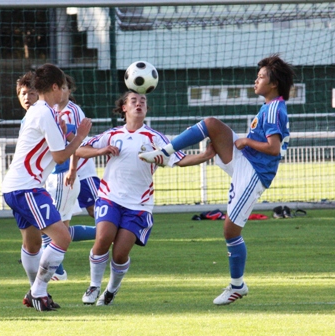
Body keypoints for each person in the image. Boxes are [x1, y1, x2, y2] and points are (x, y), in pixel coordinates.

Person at [139, 54, 294, 305]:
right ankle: (165, 152)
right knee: (211, 123)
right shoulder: (268, 107)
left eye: (261, 77)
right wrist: (244, 144)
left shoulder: (275, 108)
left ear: (274, 83)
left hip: (254, 173)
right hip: (245, 161)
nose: (256, 80)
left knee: (230, 230)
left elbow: (274, 148)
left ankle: (237, 286)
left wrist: (245, 141)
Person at [77, 91, 214, 306]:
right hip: (109, 197)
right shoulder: (111, 135)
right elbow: (79, 150)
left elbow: (178, 159)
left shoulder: (154, 138)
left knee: (120, 254)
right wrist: (101, 150)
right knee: (103, 239)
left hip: (138, 205)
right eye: (133, 101)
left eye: (143, 101)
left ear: (147, 109)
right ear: (124, 107)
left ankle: (111, 290)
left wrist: (205, 156)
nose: (139, 104)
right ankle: (94, 285)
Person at [3, 64, 92, 311]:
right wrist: (80, 136)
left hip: (17, 186)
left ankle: (36, 292)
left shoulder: (44, 112)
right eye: (62, 86)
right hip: (27, 188)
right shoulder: (44, 112)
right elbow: (61, 156)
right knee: (62, 236)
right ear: (55, 87)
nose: (65, 91)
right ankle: (38, 291)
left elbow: (51, 148)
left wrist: (64, 135)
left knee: (32, 245)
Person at [44, 74, 97, 281]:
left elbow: (76, 142)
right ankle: (51, 262)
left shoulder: (73, 111)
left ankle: (111, 233)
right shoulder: (51, 111)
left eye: (65, 88)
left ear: (68, 90)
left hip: (80, 171)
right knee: (60, 224)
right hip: (63, 173)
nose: (62, 91)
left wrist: (72, 169)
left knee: (95, 210)